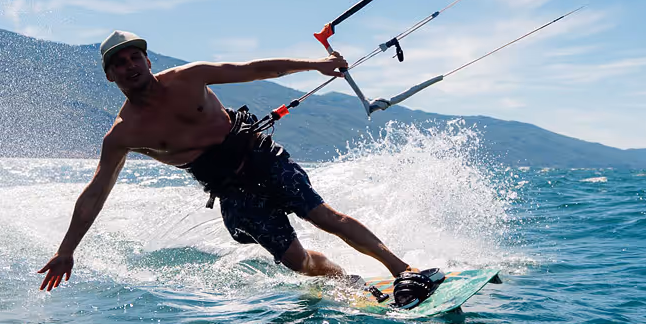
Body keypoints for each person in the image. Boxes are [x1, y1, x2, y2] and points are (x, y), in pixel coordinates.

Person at [38, 30, 430, 295]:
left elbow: (255, 70)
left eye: (135, 57)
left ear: (148, 61)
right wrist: (67, 249)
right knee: (297, 261)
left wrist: (316, 65)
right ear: (110, 76)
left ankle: (403, 270)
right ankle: (356, 287)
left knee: (324, 216)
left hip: (259, 157)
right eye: (120, 63)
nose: (130, 65)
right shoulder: (123, 135)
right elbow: (95, 194)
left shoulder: (190, 78)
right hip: (230, 191)